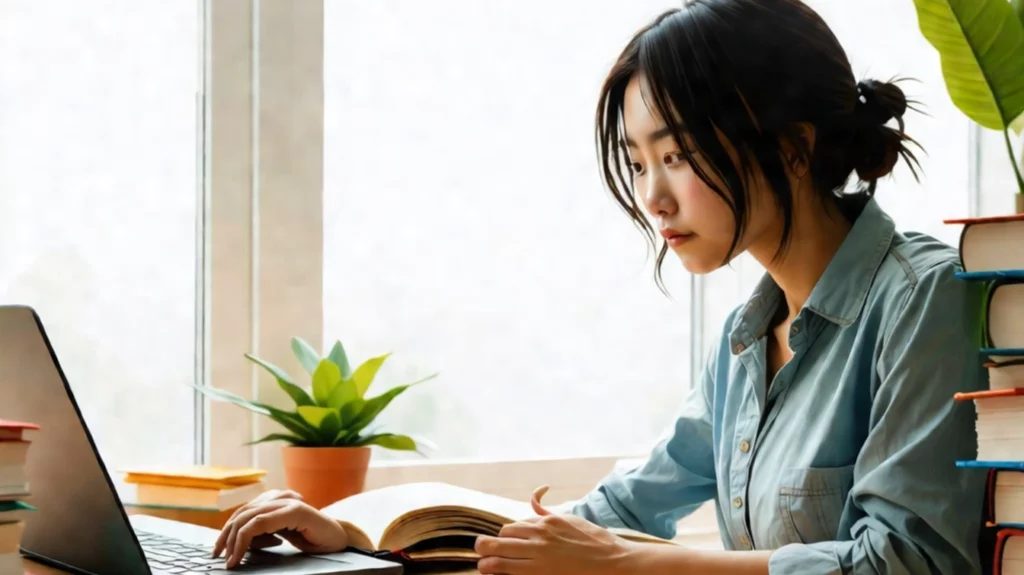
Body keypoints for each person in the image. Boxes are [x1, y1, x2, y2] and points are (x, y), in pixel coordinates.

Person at [211, 0, 989, 573]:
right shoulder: (747, 338)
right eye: (639, 160)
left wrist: (632, 564)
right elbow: (610, 516)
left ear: (791, 148)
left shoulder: (925, 297)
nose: (652, 197)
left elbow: (908, 562)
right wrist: (363, 535)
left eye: (677, 155)